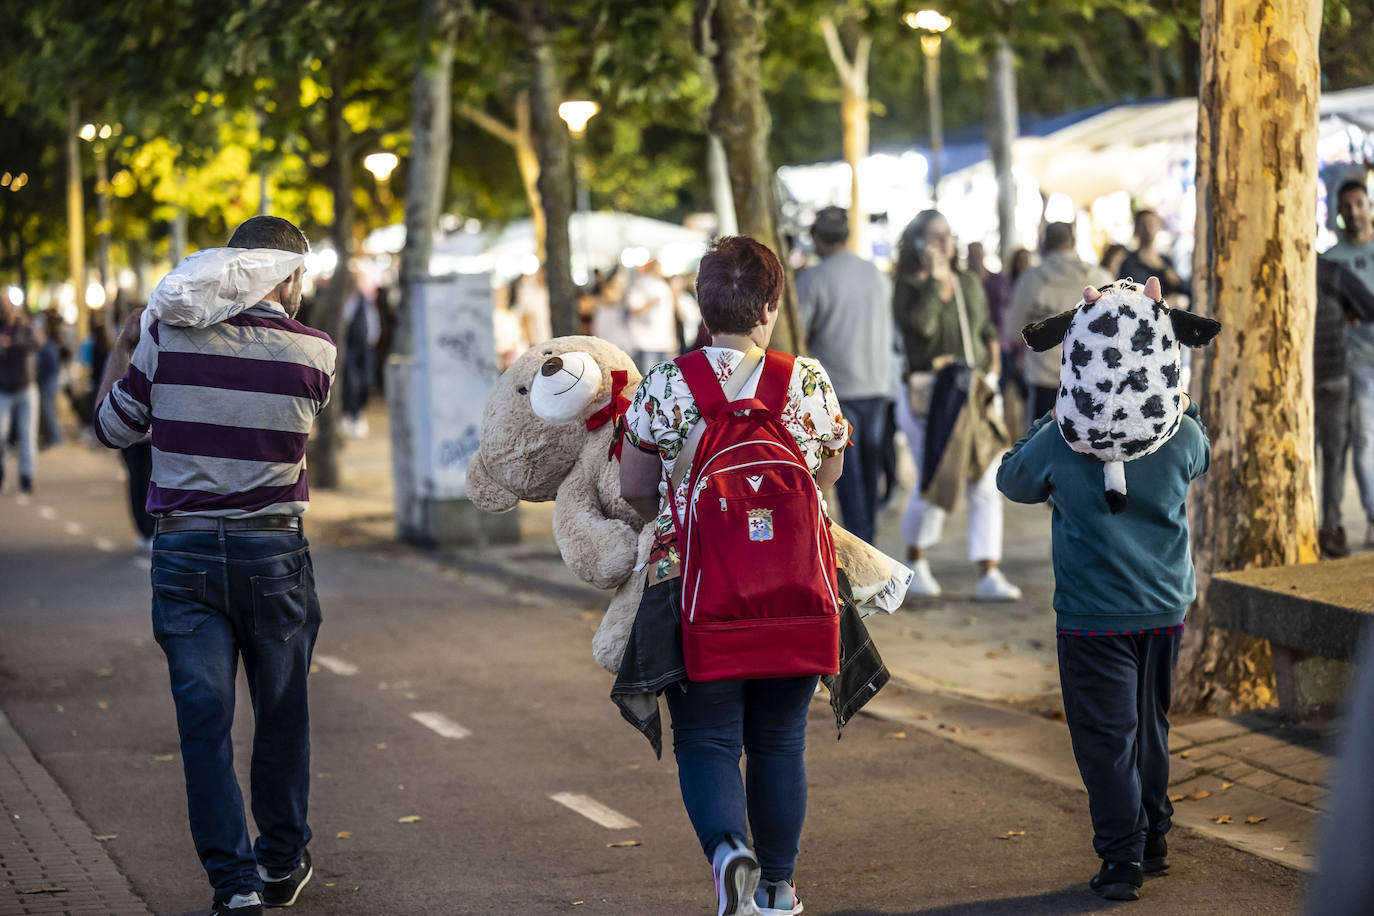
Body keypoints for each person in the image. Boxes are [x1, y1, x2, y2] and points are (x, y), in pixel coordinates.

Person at [93, 216, 335, 916]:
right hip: (274, 552)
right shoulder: (314, 352)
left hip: (185, 552)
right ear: (283, 277)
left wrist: (125, 343)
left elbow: (113, 429)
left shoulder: (165, 339)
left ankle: (234, 885)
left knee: (204, 718)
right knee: (282, 711)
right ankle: (283, 861)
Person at [616, 236, 848, 916]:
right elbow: (828, 473)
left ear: (699, 303)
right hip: (799, 593)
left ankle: (727, 855)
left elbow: (634, 487)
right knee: (780, 739)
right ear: (771, 306)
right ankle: (777, 888)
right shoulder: (806, 380)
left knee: (708, 738)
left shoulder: (664, 384)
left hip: (697, 593)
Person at [997, 278, 1210, 903]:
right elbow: (1197, 442)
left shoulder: (1063, 443)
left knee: (1105, 738)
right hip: (1165, 606)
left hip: (1093, 617)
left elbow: (1013, 477)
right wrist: (1180, 398)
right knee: (1149, 725)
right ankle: (1154, 838)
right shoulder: (1181, 437)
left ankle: (1122, 859)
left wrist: (1058, 411)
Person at [892, 210, 1021, 600]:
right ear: (917, 243)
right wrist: (933, 281)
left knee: (984, 480)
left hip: (975, 392)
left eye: (947, 235)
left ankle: (989, 570)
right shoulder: (908, 287)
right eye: (934, 237)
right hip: (929, 399)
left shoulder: (967, 282)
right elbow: (923, 330)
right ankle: (915, 560)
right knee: (934, 479)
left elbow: (986, 332)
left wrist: (994, 374)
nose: (944, 243)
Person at [796, 205, 893, 544]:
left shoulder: (813, 278)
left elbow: (799, 335)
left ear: (817, 237)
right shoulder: (875, 273)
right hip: (878, 383)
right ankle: (871, 543)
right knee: (870, 471)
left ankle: (861, 548)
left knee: (848, 478)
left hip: (839, 389)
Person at [1008, 222, 1112, 426]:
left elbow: (1013, 332)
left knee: (1039, 449)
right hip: (1089, 382)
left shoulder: (1030, 280)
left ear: (1044, 244)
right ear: (1074, 241)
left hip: (1043, 384)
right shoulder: (1100, 277)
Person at [1324, 179, 1374, 548]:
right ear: (1339, 212)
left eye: (1360, 204)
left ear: (1368, 205)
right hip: (1356, 361)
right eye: (1347, 206)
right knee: (1363, 440)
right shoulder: (1333, 262)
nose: (1354, 212)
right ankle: (1373, 514)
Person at [0, 294, 40, 493]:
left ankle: (26, 476)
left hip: (26, 386)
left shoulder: (23, 325)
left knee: (27, 434)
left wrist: (12, 344)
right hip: (4, 389)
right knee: (1, 434)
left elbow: (37, 343)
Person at [1118, 210, 1189, 301]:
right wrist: (1167, 302)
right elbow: (1129, 299)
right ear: (1137, 229)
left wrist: (1177, 281)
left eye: (1152, 223)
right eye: (1144, 224)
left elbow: (1187, 291)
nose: (1148, 228)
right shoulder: (1130, 264)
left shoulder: (1166, 261)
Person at [626, 257, 679, 371]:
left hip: (664, 342)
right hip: (647, 343)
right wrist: (651, 304)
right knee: (649, 378)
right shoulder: (641, 284)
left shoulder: (663, 285)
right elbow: (634, 310)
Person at [341, 283, 380, 437]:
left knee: (365, 382)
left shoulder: (367, 303)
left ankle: (358, 414)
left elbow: (373, 324)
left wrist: (372, 341)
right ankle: (352, 415)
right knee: (351, 383)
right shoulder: (348, 303)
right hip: (351, 348)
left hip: (365, 348)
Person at [36, 310, 66, 447]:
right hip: (50, 379)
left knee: (49, 409)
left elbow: (51, 364)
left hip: (50, 379)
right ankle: (53, 436)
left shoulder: (50, 343)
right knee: (49, 409)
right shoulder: (52, 341)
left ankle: (56, 437)